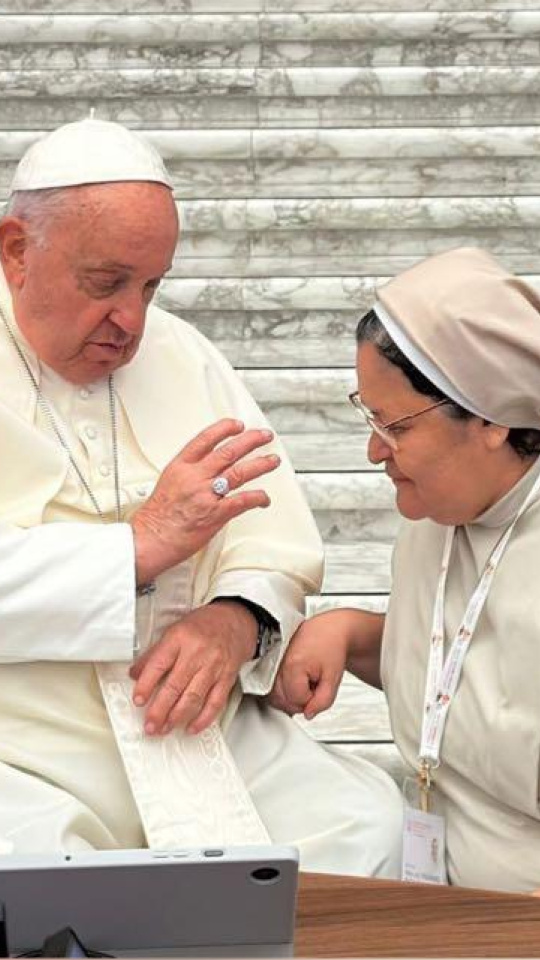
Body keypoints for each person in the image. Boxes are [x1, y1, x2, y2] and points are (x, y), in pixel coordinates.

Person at [0, 116, 403, 875]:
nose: (133, 320)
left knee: (362, 827)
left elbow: (274, 543)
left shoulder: (186, 355)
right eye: (105, 283)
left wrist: (235, 621)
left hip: (196, 727)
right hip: (26, 739)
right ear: (17, 250)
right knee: (39, 874)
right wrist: (137, 547)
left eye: (151, 285)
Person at [271, 246, 540, 892]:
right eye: (369, 417)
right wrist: (352, 634)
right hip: (439, 901)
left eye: (393, 426)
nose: (372, 451)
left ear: (489, 418)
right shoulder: (433, 522)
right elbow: (465, 666)